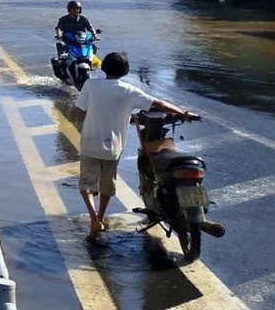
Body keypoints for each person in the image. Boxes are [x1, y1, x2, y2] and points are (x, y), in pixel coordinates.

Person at [73, 52, 195, 243]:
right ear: (125, 71)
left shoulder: (91, 84)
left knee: (86, 185)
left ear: (104, 67)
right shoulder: (128, 90)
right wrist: (183, 113)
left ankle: (94, 219)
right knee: (107, 185)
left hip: (89, 143)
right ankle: (101, 216)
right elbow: (159, 104)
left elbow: (80, 110)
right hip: (112, 148)